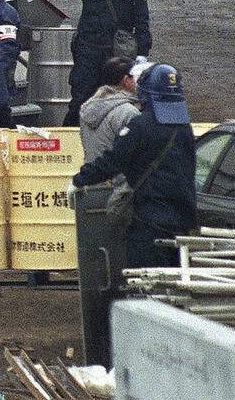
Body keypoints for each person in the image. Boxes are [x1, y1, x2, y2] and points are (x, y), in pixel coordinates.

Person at [72, 63, 195, 268]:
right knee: (177, 285)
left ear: (145, 93)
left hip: (149, 220)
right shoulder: (184, 128)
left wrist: (80, 179)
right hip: (181, 221)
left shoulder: (141, 125)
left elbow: (112, 160)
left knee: (145, 285)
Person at [26, 0, 152, 127]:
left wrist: (142, 55)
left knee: (120, 101)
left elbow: (142, 25)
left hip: (115, 57)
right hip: (88, 55)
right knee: (79, 103)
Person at [78, 56, 146, 162]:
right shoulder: (128, 112)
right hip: (117, 177)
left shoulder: (87, 106)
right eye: (137, 77)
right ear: (126, 80)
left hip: (91, 174)